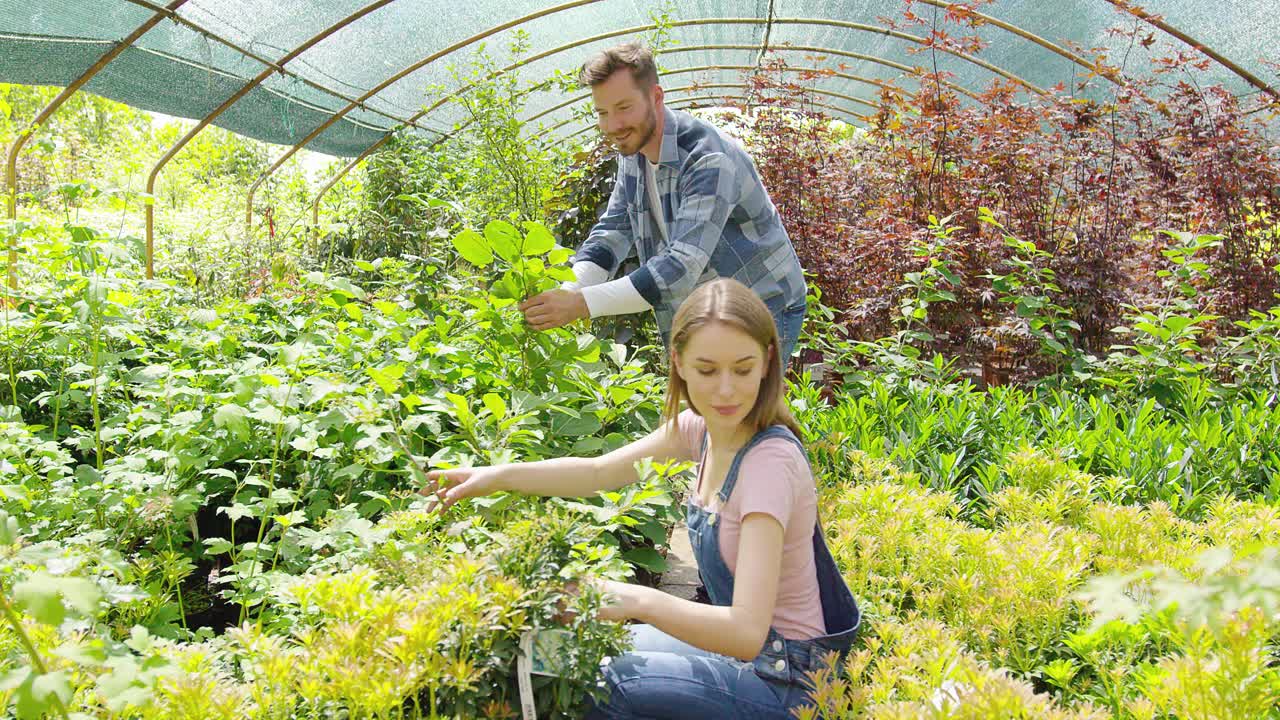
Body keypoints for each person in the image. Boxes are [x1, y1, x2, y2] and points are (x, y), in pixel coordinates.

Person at [424, 279, 859, 719]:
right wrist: (495, 476)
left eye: (742, 369)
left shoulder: (768, 465)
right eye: (707, 370)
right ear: (679, 363)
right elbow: (598, 473)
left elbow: (746, 631)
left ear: (767, 362)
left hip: (789, 683)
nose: (726, 391)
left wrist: (635, 600)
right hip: (749, 660)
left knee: (593, 678)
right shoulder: (702, 429)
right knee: (565, 653)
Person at [518, 42, 809, 367]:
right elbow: (612, 232)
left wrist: (580, 304)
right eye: (602, 113)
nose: (612, 125)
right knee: (703, 409)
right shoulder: (635, 152)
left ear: (656, 98)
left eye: (624, 107)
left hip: (762, 302)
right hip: (704, 307)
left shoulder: (707, 159)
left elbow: (680, 267)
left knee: (740, 411)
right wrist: (568, 291)